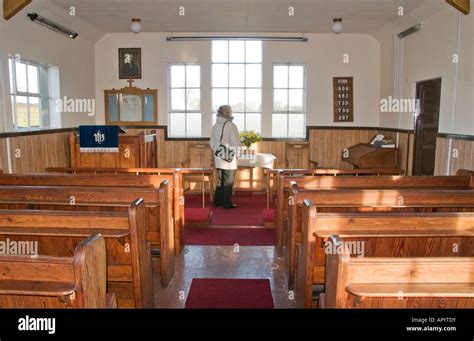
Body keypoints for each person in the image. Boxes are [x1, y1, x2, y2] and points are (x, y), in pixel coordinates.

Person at [210, 105, 241, 209]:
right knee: (228, 181)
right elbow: (235, 141)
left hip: (218, 155)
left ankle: (218, 202)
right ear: (228, 113)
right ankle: (227, 204)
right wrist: (237, 155)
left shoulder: (215, 126)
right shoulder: (230, 125)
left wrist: (217, 150)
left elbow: (211, 142)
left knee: (220, 180)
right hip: (229, 156)